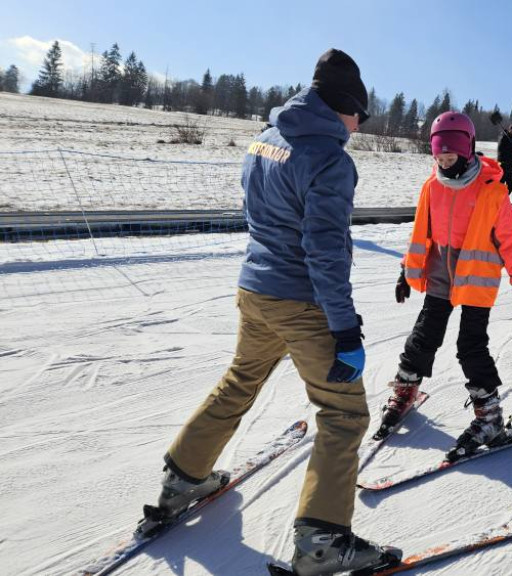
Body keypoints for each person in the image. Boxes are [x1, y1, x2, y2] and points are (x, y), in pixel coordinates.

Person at [150, 49, 400, 576]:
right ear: (344, 107)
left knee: (241, 378)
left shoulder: (266, 140)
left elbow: (257, 213)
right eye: (362, 115)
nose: (360, 126)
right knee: (344, 413)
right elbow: (325, 251)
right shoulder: (329, 159)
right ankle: (324, 542)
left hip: (255, 288)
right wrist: (345, 327)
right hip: (302, 300)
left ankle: (182, 477)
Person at [389, 111, 512, 462]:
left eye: (450, 157)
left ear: (467, 150)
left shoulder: (492, 190)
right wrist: (404, 271)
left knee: (470, 346)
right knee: (424, 334)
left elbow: (510, 242)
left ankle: (491, 418)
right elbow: (419, 234)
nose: (444, 163)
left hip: (476, 277)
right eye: (438, 157)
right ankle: (405, 388)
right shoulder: (432, 186)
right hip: (440, 270)